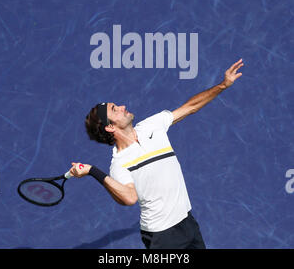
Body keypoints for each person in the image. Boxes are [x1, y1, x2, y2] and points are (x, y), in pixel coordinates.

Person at [70, 58, 244, 249]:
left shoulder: (151, 125)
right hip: (162, 237)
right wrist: (92, 170)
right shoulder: (120, 164)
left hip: (187, 222)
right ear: (110, 127)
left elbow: (190, 107)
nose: (122, 106)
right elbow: (129, 198)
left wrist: (223, 85)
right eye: (115, 109)